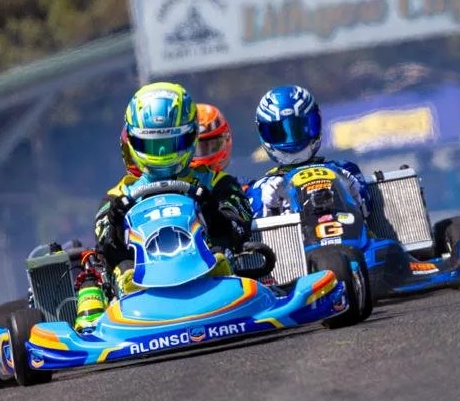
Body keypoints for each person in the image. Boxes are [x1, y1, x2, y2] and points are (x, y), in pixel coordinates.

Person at [91, 82, 261, 289]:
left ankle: (217, 265)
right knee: (109, 258)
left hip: (214, 280)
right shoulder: (119, 196)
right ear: (133, 142)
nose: (162, 153)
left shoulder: (217, 183)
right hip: (142, 286)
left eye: (171, 143)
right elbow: (106, 245)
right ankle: (129, 283)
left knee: (223, 242)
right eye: (153, 145)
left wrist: (211, 211)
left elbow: (239, 225)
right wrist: (116, 221)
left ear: (191, 137)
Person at [246, 85, 371, 220]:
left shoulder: (344, 169)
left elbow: (369, 210)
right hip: (296, 241)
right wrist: (270, 207)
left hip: (353, 238)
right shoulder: (261, 187)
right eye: (280, 132)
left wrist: (352, 188)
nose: (292, 139)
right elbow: (257, 230)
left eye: (298, 129)